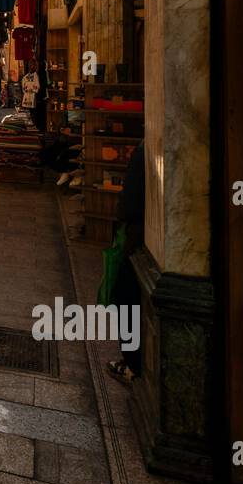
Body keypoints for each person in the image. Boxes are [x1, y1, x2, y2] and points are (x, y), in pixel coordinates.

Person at [106, 142, 145, 385]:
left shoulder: (145, 150)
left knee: (126, 298)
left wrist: (122, 216)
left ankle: (132, 363)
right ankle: (134, 362)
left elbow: (129, 203)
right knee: (128, 298)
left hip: (138, 234)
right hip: (146, 234)